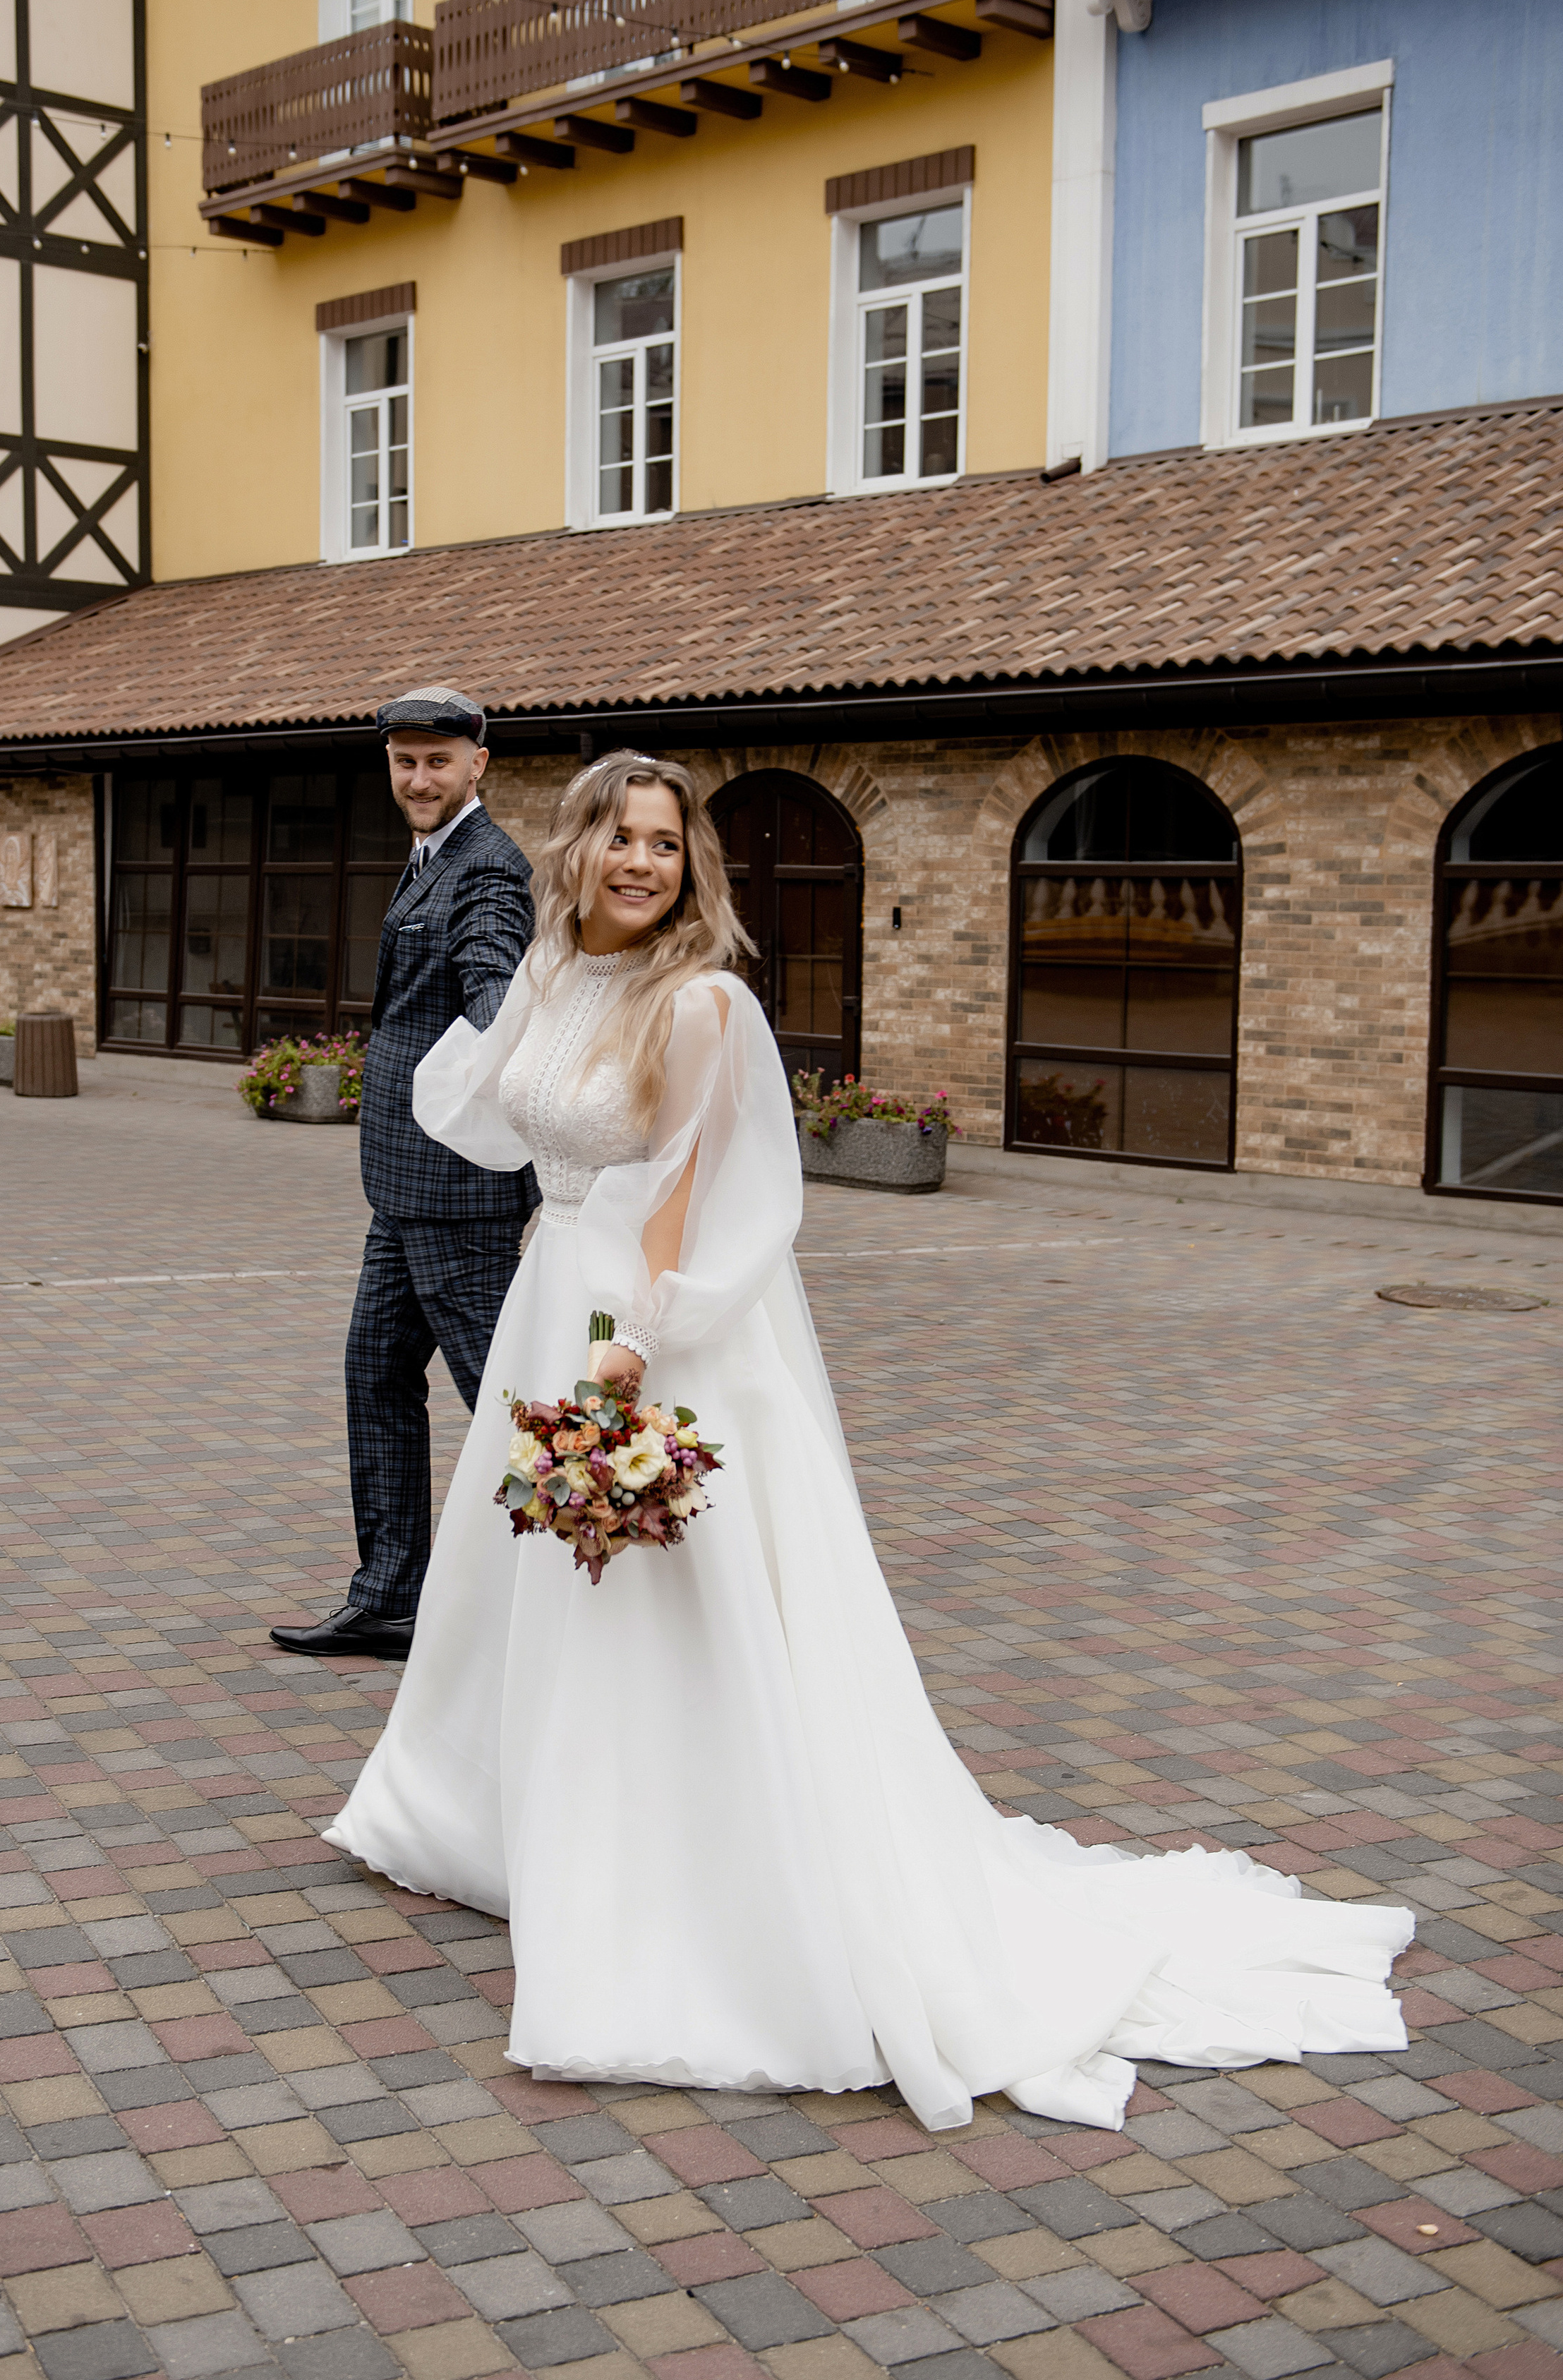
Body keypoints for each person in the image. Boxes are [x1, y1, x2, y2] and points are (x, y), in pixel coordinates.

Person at [322, 752, 1413, 2130]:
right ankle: (505, 1821)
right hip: (554, 1280)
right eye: (621, 837)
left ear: (689, 866)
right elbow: (489, 1106)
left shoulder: (701, 1001)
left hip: (640, 1315)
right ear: (577, 850)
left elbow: (691, 1186)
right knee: (541, 1572)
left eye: (666, 843)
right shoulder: (549, 972)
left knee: (653, 1583)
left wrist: (637, 1338)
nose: (643, 863)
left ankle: (676, 1868)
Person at [271, 689, 537, 1663]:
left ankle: (583, 1587)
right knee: (376, 1373)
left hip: (456, 1197)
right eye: (404, 761)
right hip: (404, 1191)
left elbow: (496, 995)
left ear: (478, 763)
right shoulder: (432, 854)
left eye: (438, 761)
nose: (419, 778)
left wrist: (502, 1054)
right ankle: (388, 1597)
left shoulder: (489, 870)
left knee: (512, 1403)